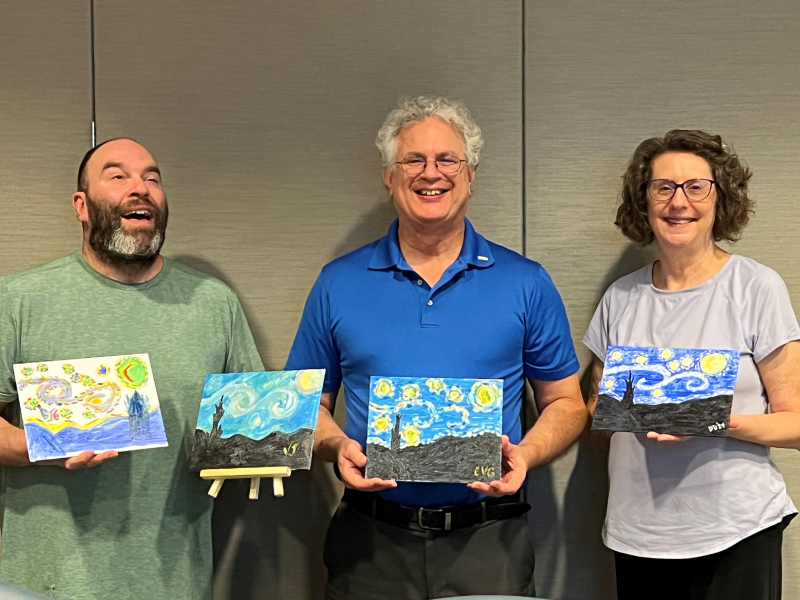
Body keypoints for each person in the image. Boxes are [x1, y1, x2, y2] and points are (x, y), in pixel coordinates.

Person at [286, 96, 586, 599]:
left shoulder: (526, 282)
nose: (432, 173)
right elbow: (306, 405)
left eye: (448, 159)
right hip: (370, 543)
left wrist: (526, 455)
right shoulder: (338, 282)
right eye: (413, 160)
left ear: (471, 174)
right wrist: (337, 446)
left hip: (490, 542)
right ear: (389, 176)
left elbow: (566, 403)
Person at [0, 138, 264, 600]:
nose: (140, 187)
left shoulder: (213, 302)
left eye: (152, 178)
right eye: (118, 176)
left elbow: (252, 422)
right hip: (44, 583)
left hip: (175, 583)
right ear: (82, 206)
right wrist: (44, 445)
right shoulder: (18, 300)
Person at [584, 130, 800, 600]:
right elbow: (598, 418)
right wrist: (615, 408)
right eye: (663, 187)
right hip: (637, 535)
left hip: (737, 532)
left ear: (720, 198)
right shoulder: (621, 297)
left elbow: (797, 424)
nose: (678, 202)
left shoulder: (756, 287)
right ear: (643, 201)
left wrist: (713, 420)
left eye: (696, 187)